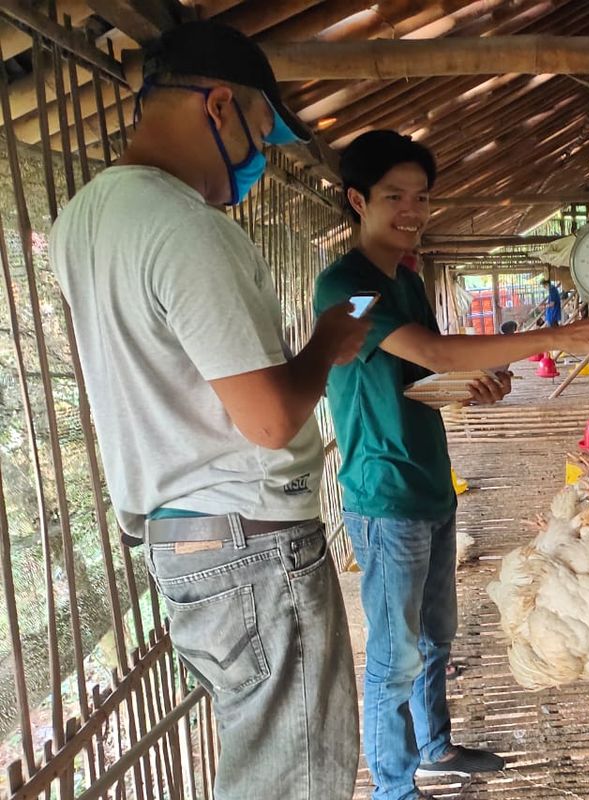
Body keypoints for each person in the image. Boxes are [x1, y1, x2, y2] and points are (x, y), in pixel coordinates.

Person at [49, 21, 365, 800]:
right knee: (294, 780)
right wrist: (327, 340)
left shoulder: (81, 221)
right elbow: (266, 421)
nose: (262, 160)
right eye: (261, 131)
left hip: (180, 539)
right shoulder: (186, 228)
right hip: (251, 541)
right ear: (218, 106)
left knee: (261, 768)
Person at [314, 130, 589, 800]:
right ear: (357, 199)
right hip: (383, 489)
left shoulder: (403, 281)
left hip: (427, 480)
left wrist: (479, 380)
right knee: (394, 655)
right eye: (394, 196)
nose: (412, 209)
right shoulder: (349, 287)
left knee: (434, 639)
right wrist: (560, 336)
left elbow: (421, 370)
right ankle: (395, 789)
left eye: (421, 197)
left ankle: (435, 747)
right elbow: (433, 351)